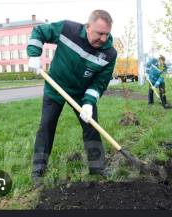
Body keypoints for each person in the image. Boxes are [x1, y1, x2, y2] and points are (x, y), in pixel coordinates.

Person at [27, 10, 117, 187]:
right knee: (46, 125)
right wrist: (34, 53)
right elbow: (39, 31)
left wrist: (89, 104)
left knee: (91, 127)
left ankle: (97, 167)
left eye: (107, 34)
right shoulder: (68, 29)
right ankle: (38, 169)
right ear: (88, 26)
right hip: (56, 86)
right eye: (100, 33)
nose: (104, 39)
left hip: (82, 93)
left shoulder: (110, 54)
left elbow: (100, 82)